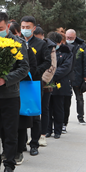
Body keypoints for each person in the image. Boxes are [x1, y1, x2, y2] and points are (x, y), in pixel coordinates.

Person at [0, 11, 29, 172]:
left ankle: (9, 165)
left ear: (8, 26)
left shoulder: (18, 43)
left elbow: (24, 68)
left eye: (0, 28)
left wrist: (6, 79)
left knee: (10, 132)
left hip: (10, 95)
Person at [21, 16, 53, 155]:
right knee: (20, 114)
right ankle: (21, 144)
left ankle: (34, 144)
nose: (25, 29)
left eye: (28, 27)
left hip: (34, 82)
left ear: (34, 28)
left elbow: (47, 62)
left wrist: (34, 72)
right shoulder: (17, 42)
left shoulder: (41, 44)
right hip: (20, 83)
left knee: (34, 114)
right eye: (23, 27)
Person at [9, 22, 37, 166]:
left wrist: (16, 76)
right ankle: (7, 151)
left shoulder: (24, 47)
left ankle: (19, 150)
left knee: (20, 123)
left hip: (21, 88)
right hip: (6, 89)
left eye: (14, 33)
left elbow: (30, 67)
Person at [46, 31, 73, 139]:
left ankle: (58, 130)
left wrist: (51, 74)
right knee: (47, 108)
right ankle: (47, 129)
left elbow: (65, 68)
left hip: (60, 84)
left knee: (58, 108)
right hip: (47, 83)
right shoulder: (46, 51)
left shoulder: (67, 52)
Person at [65, 29, 86, 126]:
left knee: (79, 98)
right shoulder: (63, 44)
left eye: (71, 38)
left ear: (75, 37)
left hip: (78, 75)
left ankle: (81, 117)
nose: (69, 39)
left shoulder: (81, 45)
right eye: (67, 37)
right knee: (66, 99)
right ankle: (64, 118)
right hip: (65, 76)